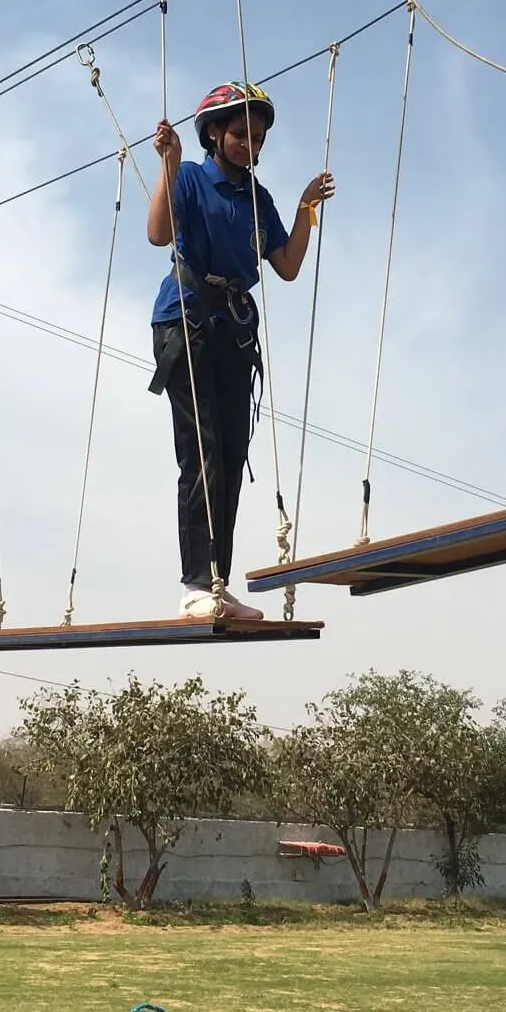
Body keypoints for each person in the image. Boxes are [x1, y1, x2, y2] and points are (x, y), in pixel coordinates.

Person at [148, 82, 332, 618]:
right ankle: (194, 584)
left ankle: (215, 581)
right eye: (240, 134)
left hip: (232, 329)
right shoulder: (190, 179)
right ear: (214, 134)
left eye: (258, 137)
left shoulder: (258, 198)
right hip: (186, 319)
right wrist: (169, 164)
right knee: (202, 451)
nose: (251, 145)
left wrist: (304, 209)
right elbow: (158, 233)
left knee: (229, 458)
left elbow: (288, 266)